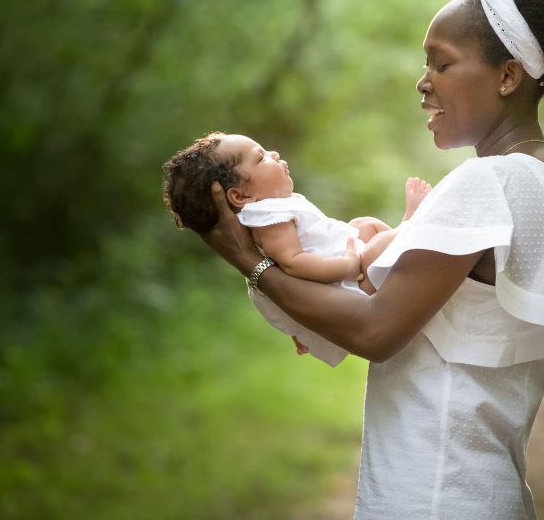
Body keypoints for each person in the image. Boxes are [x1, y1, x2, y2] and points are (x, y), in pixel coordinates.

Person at [199, 0, 544, 518]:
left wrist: (252, 264)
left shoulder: (488, 182)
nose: (422, 82)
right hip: (481, 491)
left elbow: (377, 330)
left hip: (434, 495)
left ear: (508, 76)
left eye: (440, 64)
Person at [162, 131, 431, 366]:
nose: (274, 153)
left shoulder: (273, 210)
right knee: (380, 243)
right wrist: (349, 265)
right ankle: (410, 225)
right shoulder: (268, 217)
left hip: (336, 270)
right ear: (240, 196)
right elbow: (293, 262)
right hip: (347, 282)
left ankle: (400, 246)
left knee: (365, 225)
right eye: (261, 157)